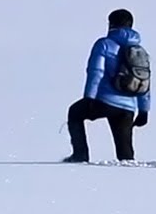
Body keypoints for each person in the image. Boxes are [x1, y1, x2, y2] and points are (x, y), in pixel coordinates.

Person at [63, 9, 150, 163]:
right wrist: (144, 110)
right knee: (125, 155)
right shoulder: (139, 51)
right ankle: (131, 179)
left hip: (104, 101)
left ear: (111, 23)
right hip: (128, 107)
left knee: (75, 112)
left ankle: (80, 155)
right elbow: (145, 80)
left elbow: (96, 71)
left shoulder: (104, 44)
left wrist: (89, 97)